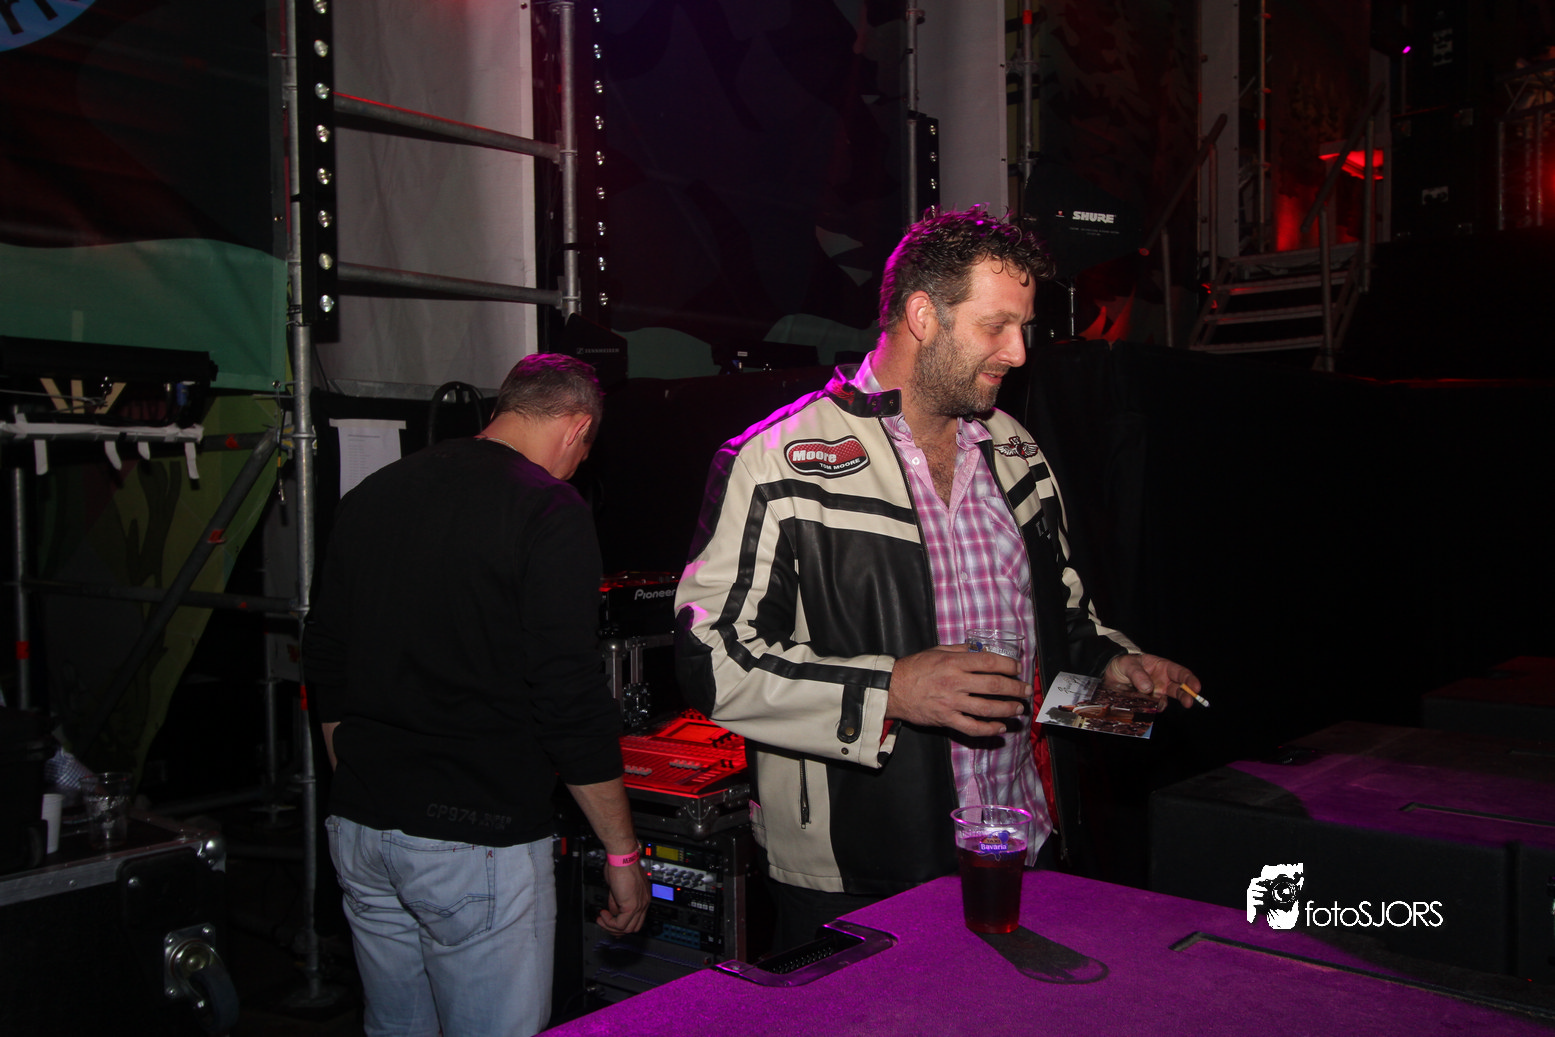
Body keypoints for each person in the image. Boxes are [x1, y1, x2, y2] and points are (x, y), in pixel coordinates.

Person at [674, 207, 1202, 950]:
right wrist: (891, 691)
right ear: (923, 315)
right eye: (996, 326)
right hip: (859, 870)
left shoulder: (1016, 452)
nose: (1018, 352)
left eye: (1024, 327)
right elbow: (710, 659)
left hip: (1024, 849)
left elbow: (1063, 626)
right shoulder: (776, 461)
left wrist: (1117, 671)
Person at [306, 353, 648, 1037]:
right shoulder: (549, 507)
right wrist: (622, 856)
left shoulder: (373, 493)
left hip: (361, 829)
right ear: (578, 428)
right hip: (475, 838)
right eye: (583, 451)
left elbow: (325, 661)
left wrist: (365, 785)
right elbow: (567, 696)